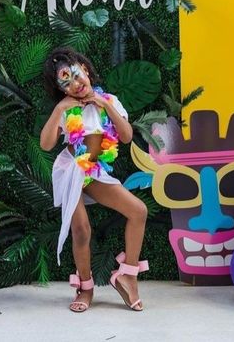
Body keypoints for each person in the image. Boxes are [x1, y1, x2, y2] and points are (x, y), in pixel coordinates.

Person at [40, 47, 149, 313]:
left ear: (86, 70)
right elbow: (46, 144)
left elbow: (124, 136)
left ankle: (128, 275)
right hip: (71, 171)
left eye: (77, 76)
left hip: (94, 172)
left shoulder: (109, 100)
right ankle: (85, 287)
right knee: (81, 230)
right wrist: (59, 110)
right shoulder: (68, 110)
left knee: (138, 211)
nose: (76, 85)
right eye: (66, 83)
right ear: (62, 90)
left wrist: (106, 105)